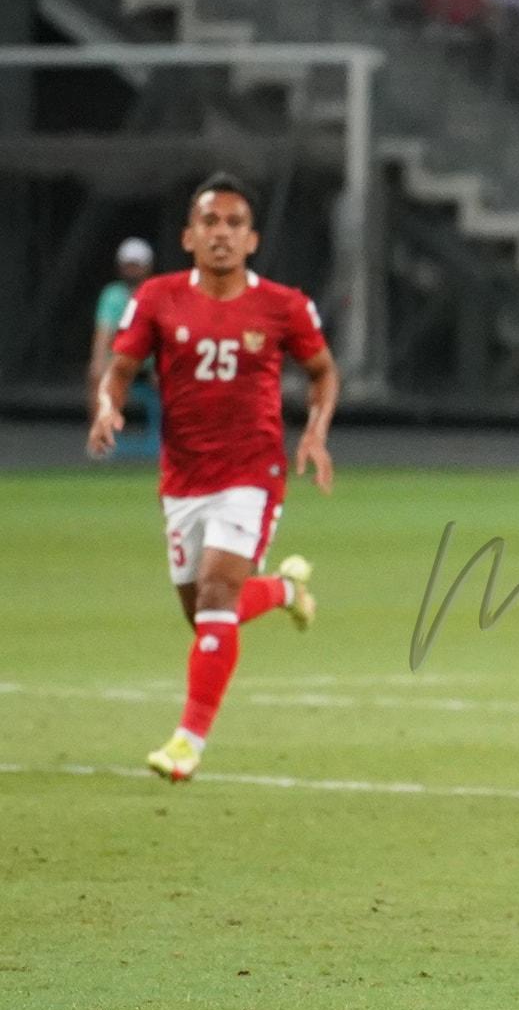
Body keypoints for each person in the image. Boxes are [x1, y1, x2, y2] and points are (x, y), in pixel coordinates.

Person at [85, 174, 338, 783]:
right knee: (202, 615)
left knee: (219, 594)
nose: (220, 233)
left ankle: (186, 742)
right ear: (188, 236)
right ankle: (281, 591)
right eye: (209, 222)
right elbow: (120, 369)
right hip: (183, 477)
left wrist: (314, 431)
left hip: (253, 472)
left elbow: (323, 372)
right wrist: (107, 404)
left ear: (251, 240)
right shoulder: (158, 299)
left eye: (233, 224)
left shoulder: (283, 305)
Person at [89, 237, 154, 410]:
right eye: (128, 264)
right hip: (120, 361)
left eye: (136, 265)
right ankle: (99, 431)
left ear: (147, 267)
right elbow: (103, 335)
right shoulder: (112, 295)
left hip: (150, 364)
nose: (132, 270)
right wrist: (98, 365)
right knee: (96, 373)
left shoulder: (157, 293)